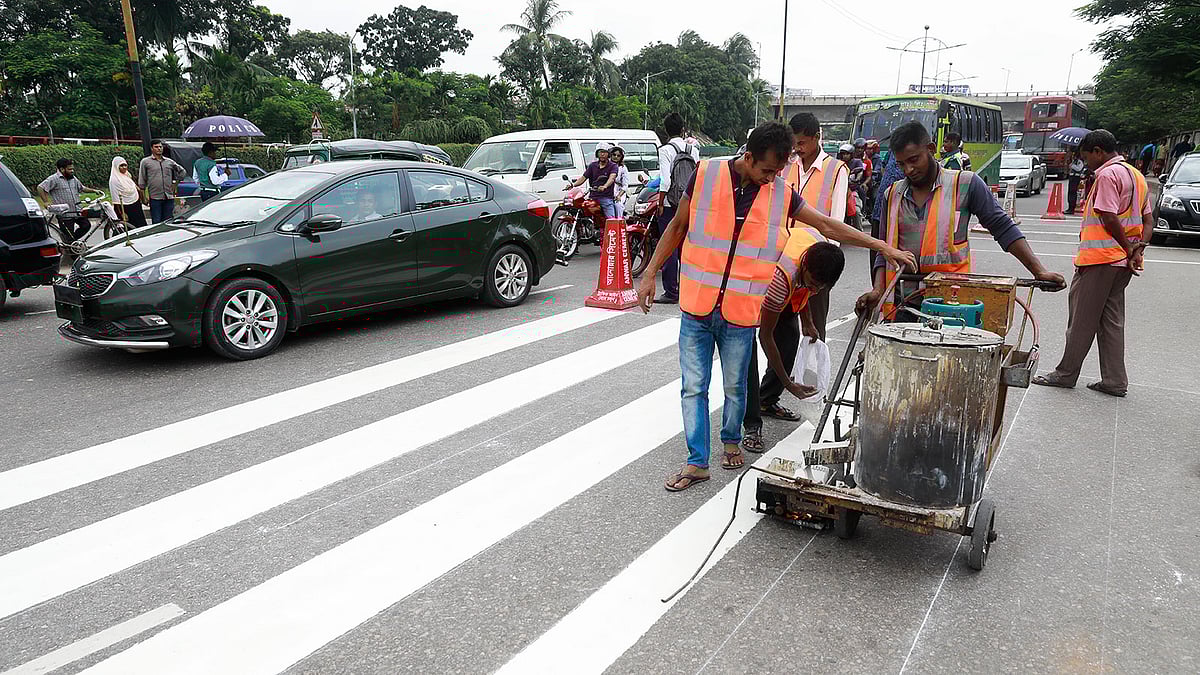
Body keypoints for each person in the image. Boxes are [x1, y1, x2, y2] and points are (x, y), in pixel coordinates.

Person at [635, 121, 915, 492]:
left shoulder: (782, 193)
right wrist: (650, 273)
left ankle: (731, 439)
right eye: (766, 170)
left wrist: (883, 248)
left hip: (739, 311)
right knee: (693, 387)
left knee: (736, 387)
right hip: (697, 305)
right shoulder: (705, 174)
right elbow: (677, 227)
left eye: (777, 172)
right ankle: (697, 462)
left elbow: (828, 226)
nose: (771, 178)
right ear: (748, 157)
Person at [855, 121, 1064, 319]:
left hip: (950, 302)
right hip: (902, 303)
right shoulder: (892, 194)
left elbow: (1003, 228)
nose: (908, 170)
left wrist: (1039, 271)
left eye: (914, 160)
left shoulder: (965, 184)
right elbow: (884, 251)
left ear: (930, 149)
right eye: (902, 164)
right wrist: (878, 290)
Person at [741, 113, 849, 453]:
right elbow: (765, 334)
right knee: (749, 357)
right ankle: (751, 423)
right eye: (795, 144)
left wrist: (809, 323)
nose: (798, 149)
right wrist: (791, 383)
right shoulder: (784, 278)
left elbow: (833, 225)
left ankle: (769, 398)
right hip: (760, 281)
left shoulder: (835, 171)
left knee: (792, 342)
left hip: (816, 255)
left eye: (802, 143)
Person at [1032, 129, 1151, 398]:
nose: (1086, 162)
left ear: (1098, 151)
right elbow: (1148, 220)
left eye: (1087, 157)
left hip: (1100, 260)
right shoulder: (1137, 175)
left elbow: (1108, 216)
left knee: (1081, 321)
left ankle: (1064, 375)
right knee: (1111, 322)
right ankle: (1115, 381)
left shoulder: (1108, 175)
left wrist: (1128, 247)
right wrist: (1136, 250)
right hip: (1122, 264)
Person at [653, 112, 700, 304]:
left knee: (669, 245)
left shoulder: (665, 150)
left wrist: (660, 202)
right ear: (683, 129)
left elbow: (665, 180)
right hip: (690, 202)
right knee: (687, 246)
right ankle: (688, 288)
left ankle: (671, 291)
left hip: (670, 203)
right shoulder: (693, 148)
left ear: (666, 130)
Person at [38, 158, 99, 243]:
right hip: (65, 214)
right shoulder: (54, 179)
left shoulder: (73, 178)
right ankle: (70, 248)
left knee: (86, 225)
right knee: (68, 236)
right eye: (69, 169)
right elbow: (40, 188)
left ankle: (73, 243)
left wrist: (93, 190)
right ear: (62, 169)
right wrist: (46, 202)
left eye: (72, 169)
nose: (72, 171)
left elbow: (82, 188)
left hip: (76, 211)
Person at [138, 139, 186, 223]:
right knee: (156, 221)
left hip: (168, 196)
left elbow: (182, 171)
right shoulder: (145, 162)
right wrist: (143, 197)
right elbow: (142, 180)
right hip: (155, 197)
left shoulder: (169, 161)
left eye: (160, 147)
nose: (159, 149)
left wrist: (175, 183)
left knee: (168, 221)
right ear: (152, 149)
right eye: (156, 147)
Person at [570, 142, 618, 220]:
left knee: (611, 220)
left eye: (604, 152)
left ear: (608, 154)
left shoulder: (613, 166)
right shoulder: (592, 165)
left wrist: (604, 186)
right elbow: (583, 178)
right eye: (600, 152)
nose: (602, 154)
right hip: (593, 197)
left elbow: (612, 178)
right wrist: (573, 185)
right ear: (597, 154)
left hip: (606, 198)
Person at [108, 156, 147, 230]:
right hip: (124, 207)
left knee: (140, 225)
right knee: (128, 228)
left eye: (125, 165)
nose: (124, 167)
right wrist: (122, 213)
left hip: (135, 204)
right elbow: (116, 199)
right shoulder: (114, 180)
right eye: (121, 166)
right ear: (116, 166)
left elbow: (134, 188)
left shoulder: (127, 176)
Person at [610, 145, 629, 218]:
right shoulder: (607, 165)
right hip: (607, 192)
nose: (616, 157)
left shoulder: (623, 168)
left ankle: (618, 222)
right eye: (614, 155)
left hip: (618, 192)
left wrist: (619, 195)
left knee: (618, 205)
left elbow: (625, 185)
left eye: (618, 155)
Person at [1065, 149, 1086, 215]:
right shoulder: (1074, 160)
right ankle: (1070, 207)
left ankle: (1072, 208)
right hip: (1072, 177)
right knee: (1070, 192)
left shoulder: (1079, 161)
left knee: (1073, 192)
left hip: (1076, 177)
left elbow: (1079, 168)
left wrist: (1071, 165)